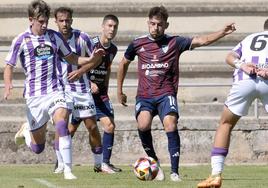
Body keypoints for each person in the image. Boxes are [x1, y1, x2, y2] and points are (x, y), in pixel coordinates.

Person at [117, 5, 236, 182]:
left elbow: (201, 40)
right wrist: (119, 90)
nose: (155, 27)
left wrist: (222, 32)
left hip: (166, 93)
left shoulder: (175, 42)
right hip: (145, 95)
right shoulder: (137, 43)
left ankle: (174, 172)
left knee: (170, 125)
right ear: (148, 23)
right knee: (143, 125)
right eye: (152, 23)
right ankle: (154, 162)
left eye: (159, 24)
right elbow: (124, 63)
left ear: (166, 25)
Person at [4, 0, 104, 180]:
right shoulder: (21, 40)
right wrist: (8, 83)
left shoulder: (54, 37)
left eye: (46, 22)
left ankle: (67, 170)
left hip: (55, 90)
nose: (44, 25)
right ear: (31, 19)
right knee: (38, 148)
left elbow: (72, 58)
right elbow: (9, 65)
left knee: (61, 123)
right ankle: (27, 130)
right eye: (40, 22)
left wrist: (90, 58)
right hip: (34, 97)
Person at [197, 20, 268, 188]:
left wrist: (242, 65)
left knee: (225, 124)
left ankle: (216, 175)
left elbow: (229, 57)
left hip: (245, 79)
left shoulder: (250, 38)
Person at [52, 7, 103, 174]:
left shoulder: (82, 37)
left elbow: (97, 58)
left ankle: (98, 163)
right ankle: (60, 164)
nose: (65, 23)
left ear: (72, 20)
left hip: (81, 88)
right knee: (62, 125)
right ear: (56, 21)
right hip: (60, 89)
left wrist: (81, 71)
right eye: (61, 20)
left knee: (92, 126)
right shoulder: (51, 38)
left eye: (67, 20)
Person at [69, 14, 122, 173]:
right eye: (109, 26)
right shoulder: (90, 43)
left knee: (110, 125)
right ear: (103, 27)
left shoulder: (113, 49)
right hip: (84, 92)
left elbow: (107, 68)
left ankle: (104, 163)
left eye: (115, 27)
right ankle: (60, 161)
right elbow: (81, 64)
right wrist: (90, 83)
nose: (112, 29)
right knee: (71, 129)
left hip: (100, 95)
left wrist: (105, 87)